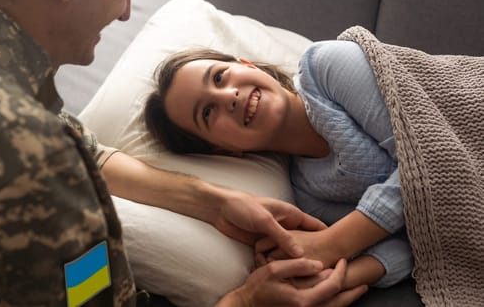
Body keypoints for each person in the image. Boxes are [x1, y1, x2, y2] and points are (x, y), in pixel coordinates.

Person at [0, 0, 368, 306]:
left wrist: (215, 202)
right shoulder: (35, 164)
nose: (126, 11)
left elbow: (89, 151)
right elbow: (83, 288)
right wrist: (247, 301)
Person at [143, 43, 415, 290]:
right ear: (223, 149)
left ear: (246, 63)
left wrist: (332, 244)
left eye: (219, 77)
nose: (229, 96)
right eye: (207, 112)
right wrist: (336, 277)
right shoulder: (308, 197)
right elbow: (418, 238)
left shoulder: (327, 66)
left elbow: (425, 155)